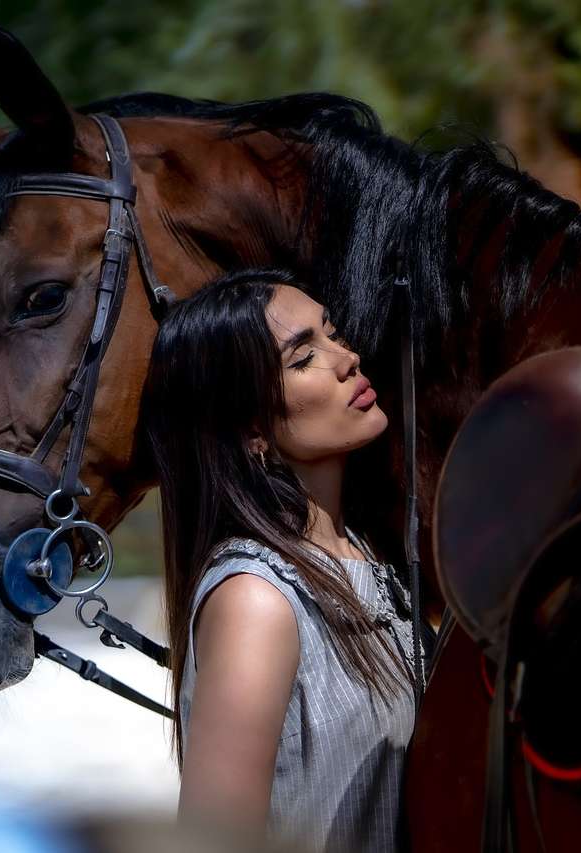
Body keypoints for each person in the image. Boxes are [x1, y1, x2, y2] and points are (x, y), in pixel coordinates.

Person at [143, 267, 427, 852]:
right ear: (251, 429)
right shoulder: (257, 598)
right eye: (302, 359)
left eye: (333, 333)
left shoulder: (371, 556)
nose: (345, 358)